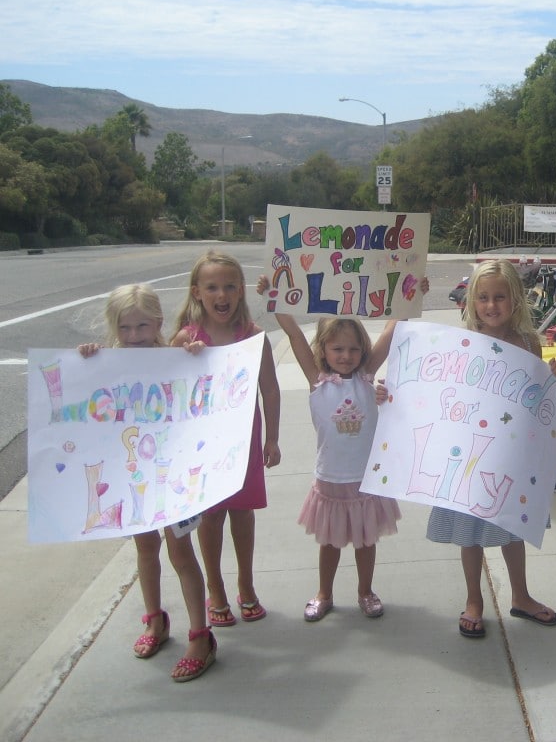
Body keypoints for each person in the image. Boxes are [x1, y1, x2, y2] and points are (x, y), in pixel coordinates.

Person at [255, 274, 428, 622]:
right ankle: (324, 592)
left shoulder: (367, 377)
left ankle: (366, 590)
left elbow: (390, 332)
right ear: (323, 351)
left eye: (353, 349)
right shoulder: (317, 382)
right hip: (330, 478)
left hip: (366, 479)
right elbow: (292, 334)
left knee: (366, 542)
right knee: (330, 542)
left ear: (362, 350)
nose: (346, 356)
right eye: (337, 349)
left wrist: (409, 298)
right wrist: (273, 296)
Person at [78, 284, 216, 681]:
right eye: (125, 328)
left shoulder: (173, 356)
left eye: (142, 325)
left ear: (157, 322)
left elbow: (199, 381)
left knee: (181, 554)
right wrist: (86, 359)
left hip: (172, 476)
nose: (134, 335)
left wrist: (192, 354)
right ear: (114, 328)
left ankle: (200, 636)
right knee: (145, 550)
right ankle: (155, 620)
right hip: (132, 476)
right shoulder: (107, 362)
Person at [426, 259, 556, 638]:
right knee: (469, 532)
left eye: (500, 297)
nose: (492, 305)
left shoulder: (528, 344)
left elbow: (535, 399)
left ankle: (520, 595)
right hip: (470, 454)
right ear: (472, 302)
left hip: (510, 456)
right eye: (484, 298)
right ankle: (474, 599)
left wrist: (555, 379)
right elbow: (442, 394)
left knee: (511, 529)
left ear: (515, 299)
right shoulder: (464, 344)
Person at [171, 250, 281, 627]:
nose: (222, 295)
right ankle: (215, 590)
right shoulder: (187, 338)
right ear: (197, 292)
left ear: (240, 292)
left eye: (230, 286)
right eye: (213, 287)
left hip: (244, 439)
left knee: (243, 514)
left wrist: (273, 438)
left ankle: (246, 585)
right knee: (211, 518)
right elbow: (165, 391)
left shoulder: (252, 337)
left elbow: (270, 389)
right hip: (203, 445)